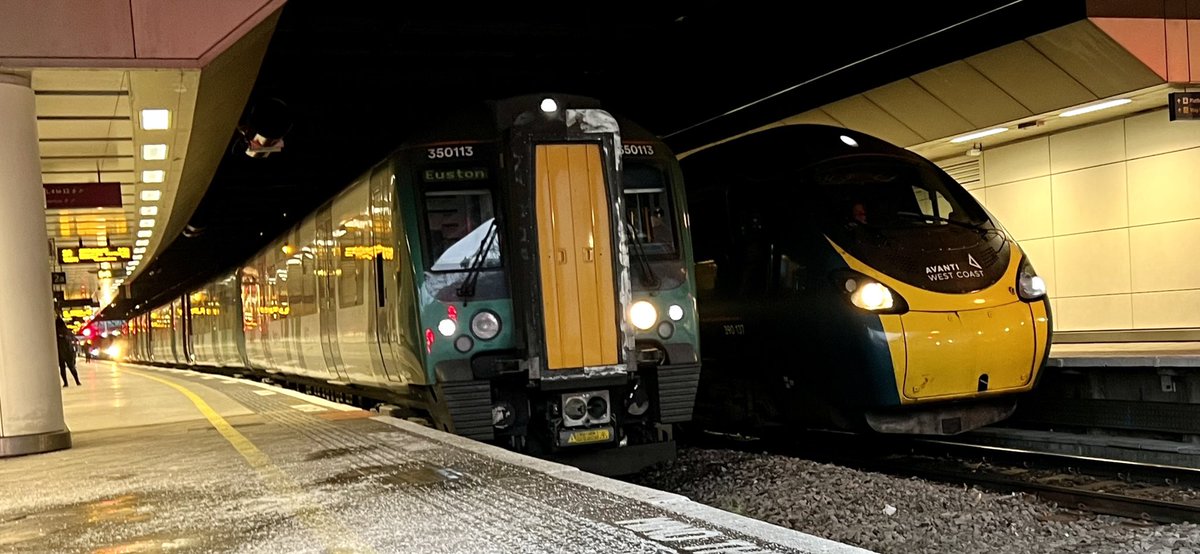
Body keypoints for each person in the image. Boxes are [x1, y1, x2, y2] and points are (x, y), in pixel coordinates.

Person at [55, 315, 81, 387]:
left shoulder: (55, 333)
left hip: (60, 353)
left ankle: (66, 383)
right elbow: (73, 342)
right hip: (68, 352)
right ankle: (77, 381)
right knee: (72, 367)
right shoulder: (68, 332)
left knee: (62, 368)